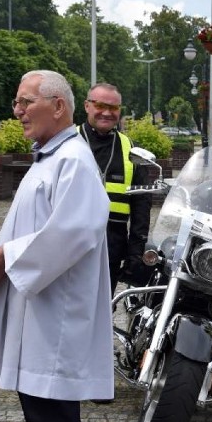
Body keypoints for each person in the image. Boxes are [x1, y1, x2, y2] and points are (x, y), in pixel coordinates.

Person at [0, 70, 112, 422]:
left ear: (58, 106)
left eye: (24, 102)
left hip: (57, 304)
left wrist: (11, 256)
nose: (17, 112)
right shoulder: (51, 156)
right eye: (16, 103)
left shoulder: (72, 159)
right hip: (40, 298)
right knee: (39, 400)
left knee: (50, 404)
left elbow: (75, 230)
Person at [77, 83, 151, 294]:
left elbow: (141, 203)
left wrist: (135, 252)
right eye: (100, 105)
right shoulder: (69, 141)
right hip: (72, 240)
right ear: (87, 106)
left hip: (112, 243)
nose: (107, 113)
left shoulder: (130, 148)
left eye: (114, 108)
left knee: (102, 308)